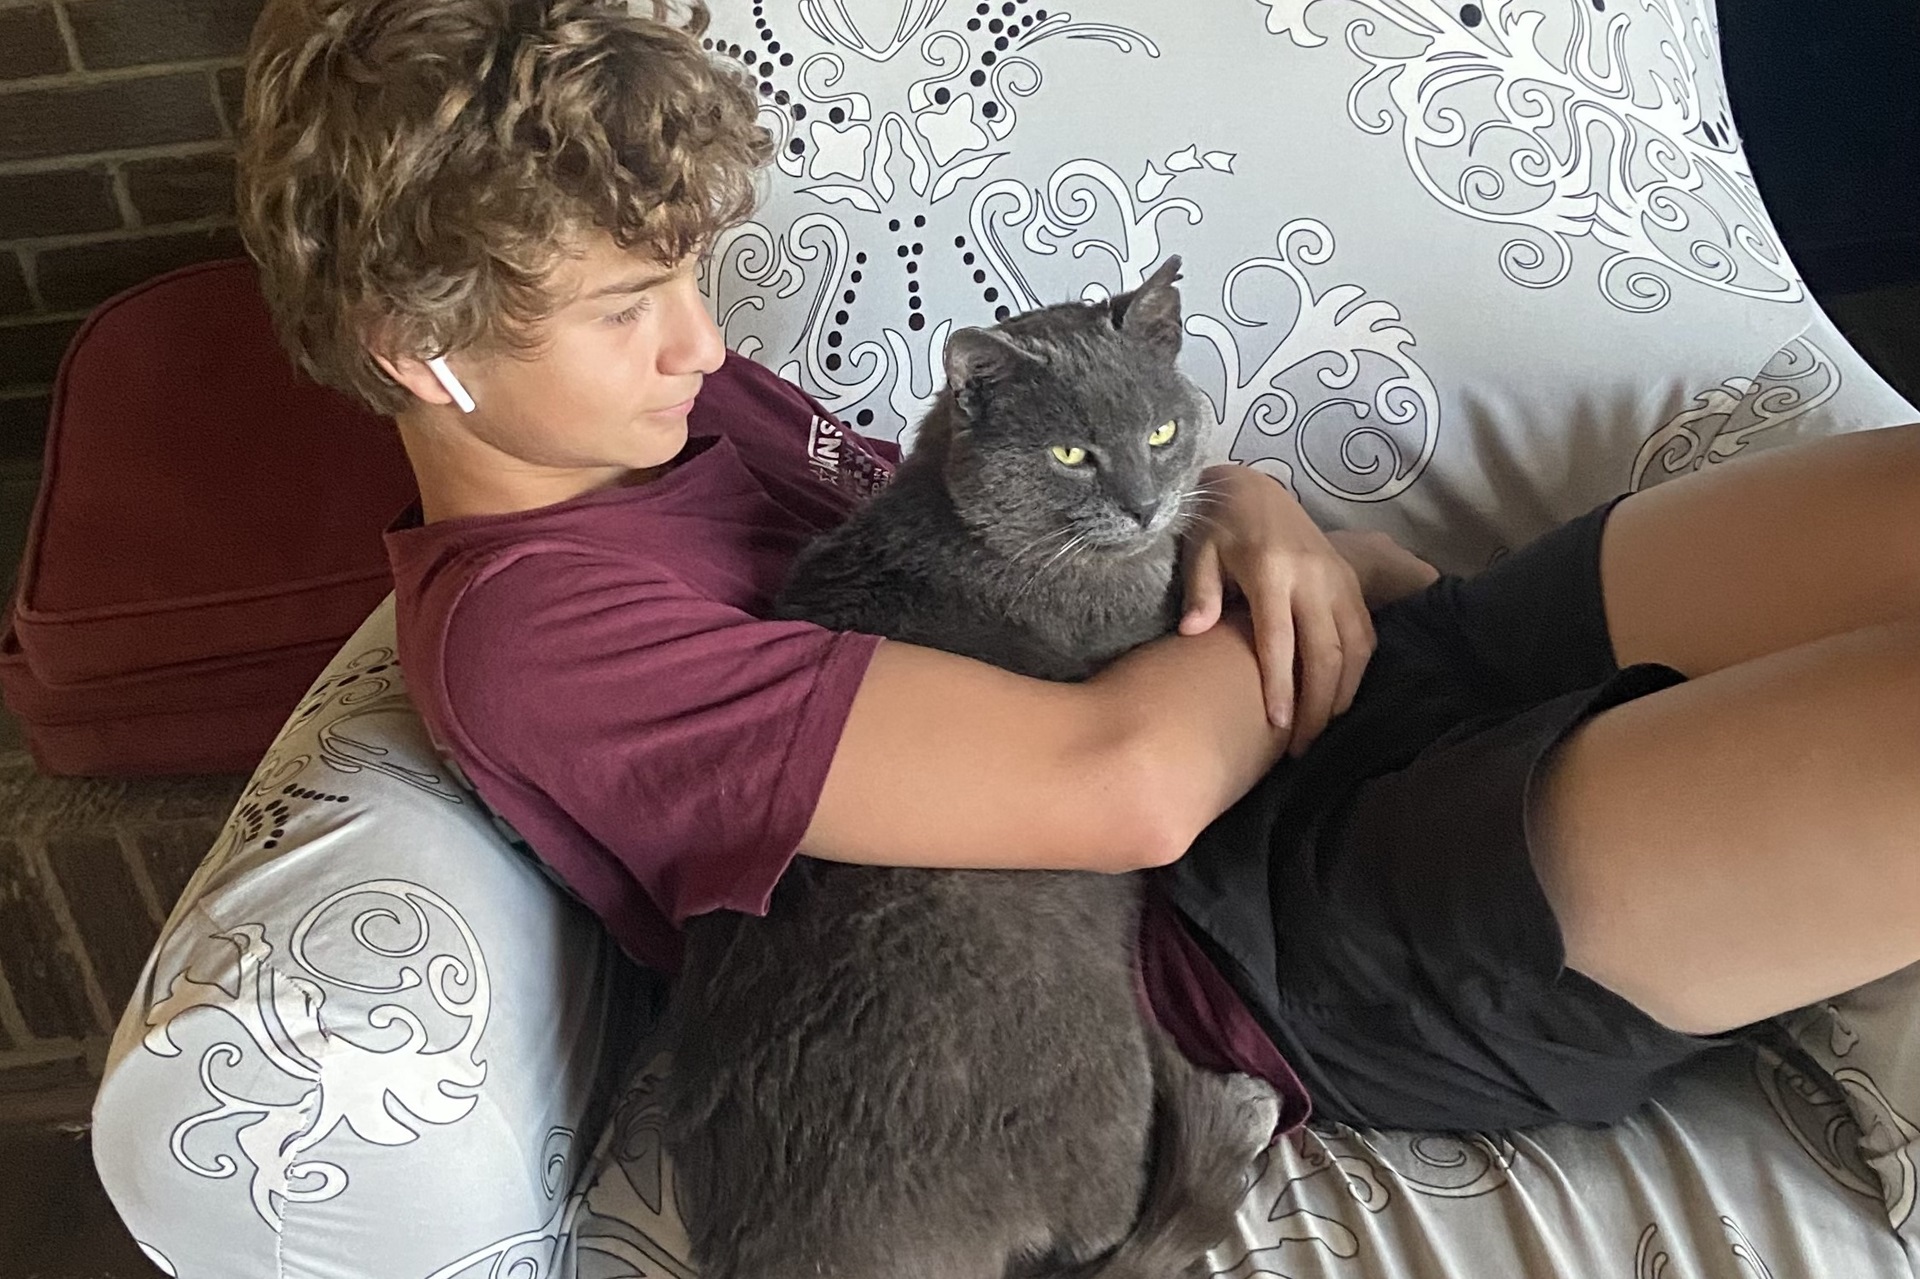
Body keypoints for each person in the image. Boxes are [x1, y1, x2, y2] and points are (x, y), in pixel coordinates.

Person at [235, 0, 1920, 1135]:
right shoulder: (539, 635)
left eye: (691, 271)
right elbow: (1125, 792)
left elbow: (1016, 529)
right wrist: (1300, 560)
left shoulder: (672, 420)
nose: (699, 339)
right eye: (625, 308)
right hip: (1285, 935)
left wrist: (1249, 503)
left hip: (1313, 692)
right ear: (417, 348)